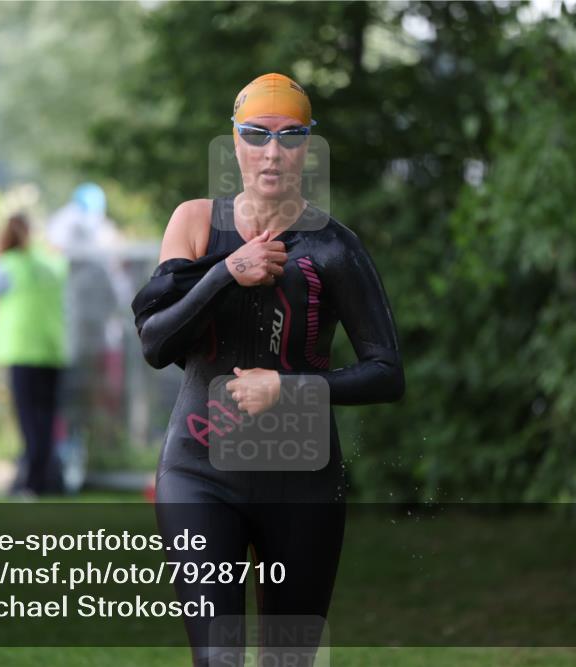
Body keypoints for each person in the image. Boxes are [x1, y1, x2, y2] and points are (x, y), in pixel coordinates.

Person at [132, 73, 405, 666]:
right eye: (257, 135)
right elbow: (155, 341)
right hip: (199, 475)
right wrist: (228, 271)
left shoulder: (334, 248)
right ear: (235, 142)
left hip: (301, 482)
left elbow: (387, 372)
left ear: (308, 146)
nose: (272, 152)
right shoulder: (197, 223)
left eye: (289, 136)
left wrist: (289, 389)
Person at [0, 213, 68, 497]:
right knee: (47, 419)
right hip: (52, 350)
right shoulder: (51, 264)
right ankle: (46, 480)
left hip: (22, 351)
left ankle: (33, 483)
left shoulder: (8, 265)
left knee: (29, 420)